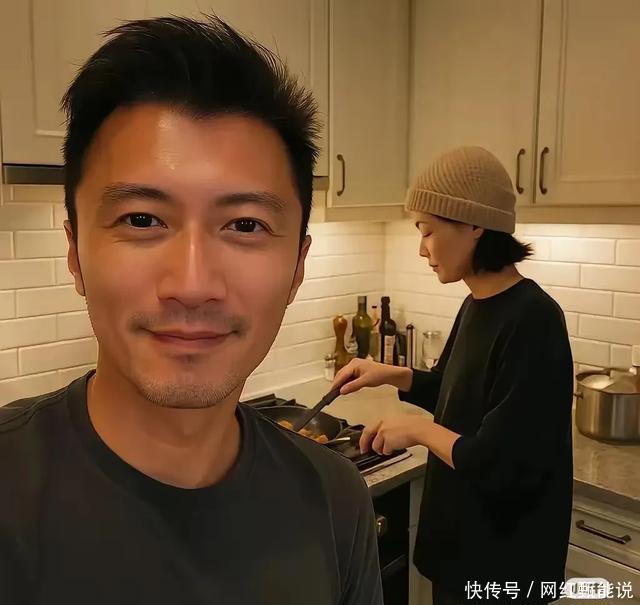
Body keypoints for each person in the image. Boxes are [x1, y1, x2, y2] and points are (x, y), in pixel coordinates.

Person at [0, 15, 382, 605]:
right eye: (142, 219)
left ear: (297, 268)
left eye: (246, 225)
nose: (193, 284)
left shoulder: (335, 500)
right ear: (74, 252)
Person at [332, 147, 574, 605]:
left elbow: (500, 462)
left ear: (474, 224)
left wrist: (418, 431)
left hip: (504, 565)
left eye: (427, 230)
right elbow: (457, 394)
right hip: (464, 552)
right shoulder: (477, 304)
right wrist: (391, 374)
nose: (422, 248)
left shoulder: (534, 320)